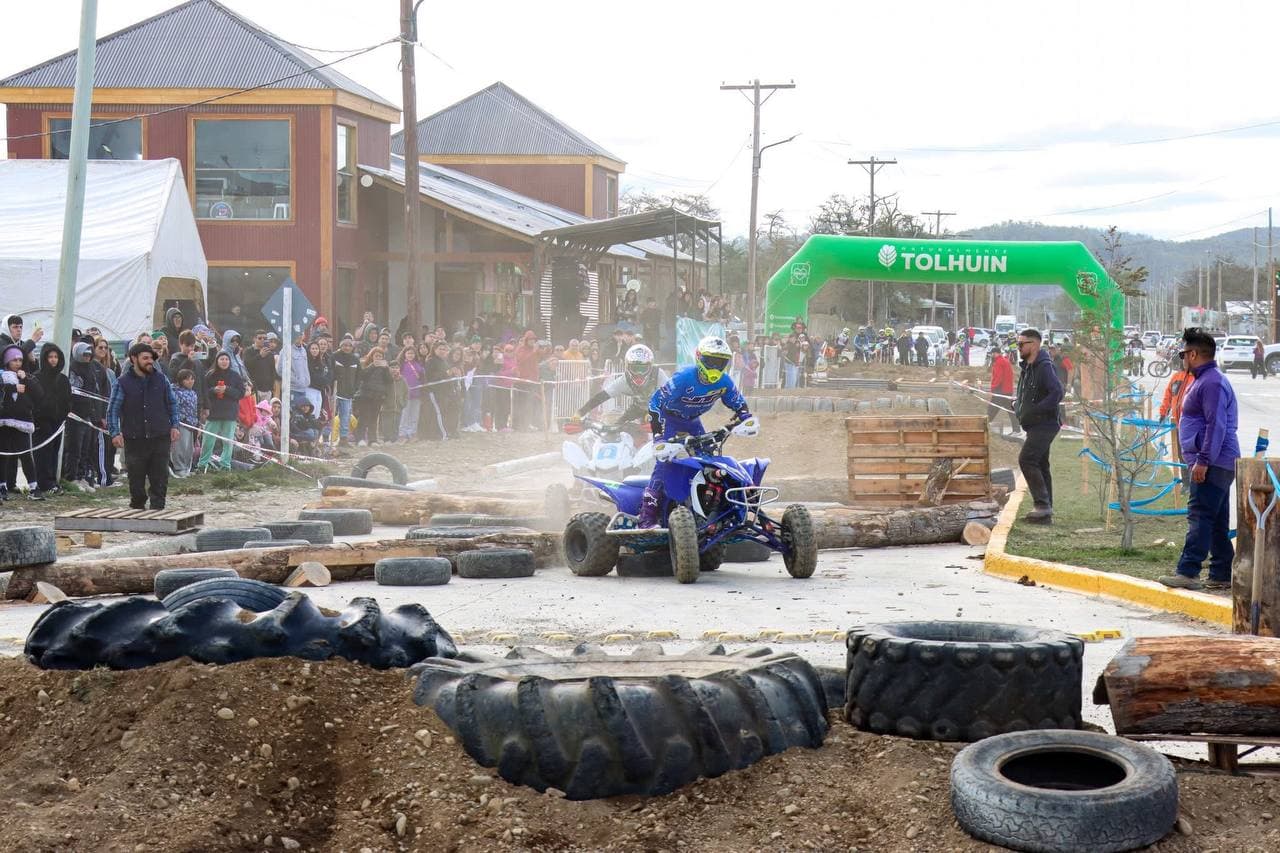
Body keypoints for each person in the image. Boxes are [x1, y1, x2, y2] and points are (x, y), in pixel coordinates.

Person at [638, 336, 752, 528]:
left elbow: (738, 403)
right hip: (669, 420)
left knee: (708, 460)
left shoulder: (724, 381)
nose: (715, 367)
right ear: (699, 358)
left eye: (720, 362)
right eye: (711, 361)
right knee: (665, 462)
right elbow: (654, 402)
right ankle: (646, 517)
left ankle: (714, 510)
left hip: (692, 422)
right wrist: (658, 437)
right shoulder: (683, 378)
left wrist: (746, 419)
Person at [1160, 329, 1240, 591]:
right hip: (1215, 460)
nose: (1182, 358)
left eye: (1184, 353)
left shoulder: (1212, 383)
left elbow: (1215, 424)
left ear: (1193, 354)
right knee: (1215, 518)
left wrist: (1203, 460)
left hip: (1213, 461)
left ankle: (1188, 571)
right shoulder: (1203, 379)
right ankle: (1221, 572)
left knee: (1199, 515)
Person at [107, 343, 180, 510]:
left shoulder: (161, 379)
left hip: (160, 436)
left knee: (160, 478)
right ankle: (137, 507)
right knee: (136, 481)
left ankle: (158, 509)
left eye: (151, 358)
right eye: (145, 358)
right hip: (135, 438)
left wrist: (175, 425)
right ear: (134, 359)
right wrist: (115, 433)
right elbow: (113, 409)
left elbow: (172, 403)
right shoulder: (122, 383)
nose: (149, 361)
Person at [1013, 328, 1064, 524]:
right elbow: (1029, 393)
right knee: (1041, 464)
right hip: (1035, 424)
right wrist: (1019, 405)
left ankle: (1042, 506)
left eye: (1021, 344)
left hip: (1046, 423)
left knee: (1026, 459)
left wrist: (1036, 410)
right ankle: (1046, 511)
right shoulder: (1028, 366)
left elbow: (1057, 392)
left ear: (1033, 345)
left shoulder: (1044, 366)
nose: (1018, 348)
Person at [574, 344, 669, 424]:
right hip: (638, 408)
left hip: (661, 408)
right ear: (627, 367)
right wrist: (580, 413)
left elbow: (672, 397)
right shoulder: (624, 380)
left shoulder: (658, 374)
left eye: (643, 369)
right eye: (635, 369)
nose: (639, 374)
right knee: (617, 427)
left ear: (651, 367)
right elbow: (601, 397)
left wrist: (656, 413)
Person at [0, 344, 42, 500]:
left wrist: (25, 379)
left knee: (25, 454)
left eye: (20, 359)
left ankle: (33, 486)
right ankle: (2, 486)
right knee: (3, 455)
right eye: (14, 360)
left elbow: (39, 393)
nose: (17, 362)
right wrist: (13, 388)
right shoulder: (2, 375)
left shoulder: (26, 375)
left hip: (23, 421)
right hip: (4, 421)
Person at [32, 342, 70, 497]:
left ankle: (52, 481)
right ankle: (44, 483)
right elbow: (34, 400)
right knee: (43, 453)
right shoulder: (36, 377)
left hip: (57, 422)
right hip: (42, 422)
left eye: (56, 357)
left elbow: (67, 400)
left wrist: (63, 415)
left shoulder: (62, 379)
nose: (53, 360)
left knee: (54, 452)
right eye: (50, 357)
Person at [199, 350, 245, 472]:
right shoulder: (209, 375)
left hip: (230, 413)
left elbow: (241, 393)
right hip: (213, 412)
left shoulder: (235, 376)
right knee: (208, 441)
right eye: (221, 359)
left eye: (226, 359)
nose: (224, 362)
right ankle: (202, 464)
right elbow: (204, 392)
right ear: (217, 361)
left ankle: (225, 465)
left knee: (228, 442)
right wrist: (214, 390)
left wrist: (227, 390)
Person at [352, 347, 391, 446]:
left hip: (378, 396)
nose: (378, 358)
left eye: (380, 356)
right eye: (376, 356)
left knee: (374, 419)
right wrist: (373, 365)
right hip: (365, 395)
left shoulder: (384, 368)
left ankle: (372, 440)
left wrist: (386, 368)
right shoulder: (366, 364)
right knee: (364, 417)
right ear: (372, 356)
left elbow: (389, 381)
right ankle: (360, 438)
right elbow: (362, 376)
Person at [170, 368, 199, 477]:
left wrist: (196, 422)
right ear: (181, 380)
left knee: (189, 448)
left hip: (192, 424)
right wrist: (181, 420)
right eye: (187, 379)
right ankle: (179, 468)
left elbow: (195, 409)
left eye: (192, 379)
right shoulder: (175, 392)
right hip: (181, 423)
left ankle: (187, 468)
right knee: (179, 447)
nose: (191, 381)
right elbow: (175, 408)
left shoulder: (193, 393)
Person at [332, 336, 360, 445]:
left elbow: (358, 375)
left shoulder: (355, 359)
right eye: (345, 345)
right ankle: (326, 438)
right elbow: (331, 372)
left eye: (349, 346)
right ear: (341, 346)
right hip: (335, 392)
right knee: (331, 415)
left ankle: (343, 439)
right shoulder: (334, 357)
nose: (347, 348)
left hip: (348, 393)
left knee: (345, 416)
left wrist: (355, 388)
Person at [987, 346, 1020, 435]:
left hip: (1000, 390)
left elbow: (998, 377)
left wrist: (992, 389)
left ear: (995, 353)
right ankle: (1017, 430)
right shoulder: (1005, 361)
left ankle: (985, 425)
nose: (991, 356)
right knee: (1010, 410)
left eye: (992, 354)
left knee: (992, 408)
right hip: (1007, 390)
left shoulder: (999, 362)